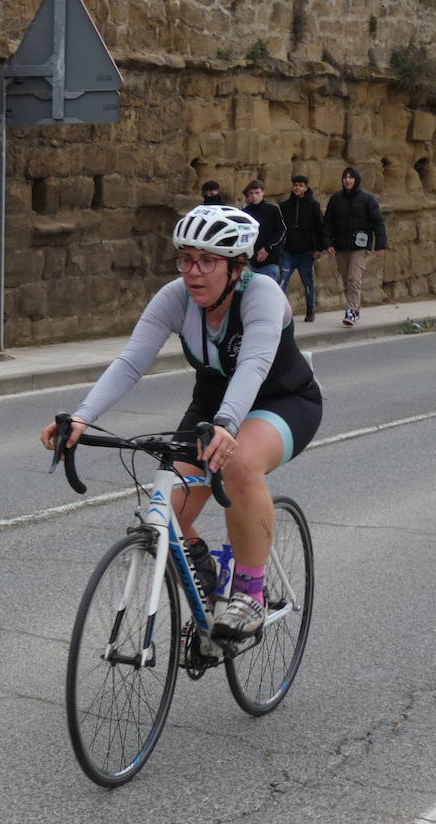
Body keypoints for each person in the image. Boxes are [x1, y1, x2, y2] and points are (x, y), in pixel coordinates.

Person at [41, 204, 322, 641]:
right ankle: (204, 577)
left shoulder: (263, 294)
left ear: (236, 267)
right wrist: (82, 416)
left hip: (281, 401)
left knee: (240, 464)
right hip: (211, 411)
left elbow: (253, 363)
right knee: (164, 515)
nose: (193, 271)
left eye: (208, 261)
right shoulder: (175, 298)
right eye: (186, 259)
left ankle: (250, 592)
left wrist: (229, 425)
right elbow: (132, 362)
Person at [324, 166, 387, 327]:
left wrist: (380, 244)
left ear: (356, 179)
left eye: (351, 177)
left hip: (360, 246)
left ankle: (351, 311)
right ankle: (355, 309)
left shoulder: (368, 199)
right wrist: (328, 243)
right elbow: (328, 223)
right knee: (347, 281)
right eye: (345, 177)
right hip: (341, 246)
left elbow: (377, 222)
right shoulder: (335, 199)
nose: (347, 180)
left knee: (353, 278)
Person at [278, 175, 327, 322]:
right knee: (282, 283)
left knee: (308, 283)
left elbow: (319, 228)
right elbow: (281, 229)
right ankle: (280, 313)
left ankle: (310, 311)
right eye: (295, 185)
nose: (297, 188)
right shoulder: (285, 206)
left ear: (306, 187)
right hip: (288, 252)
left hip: (306, 253)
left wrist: (319, 248)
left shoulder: (313, 205)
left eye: (300, 185)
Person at [240, 179, 285, 281]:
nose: (254, 196)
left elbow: (282, 231)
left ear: (263, 192)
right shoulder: (245, 212)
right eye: (251, 193)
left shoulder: (273, 209)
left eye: (257, 193)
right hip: (250, 262)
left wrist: (268, 247)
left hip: (269, 261)